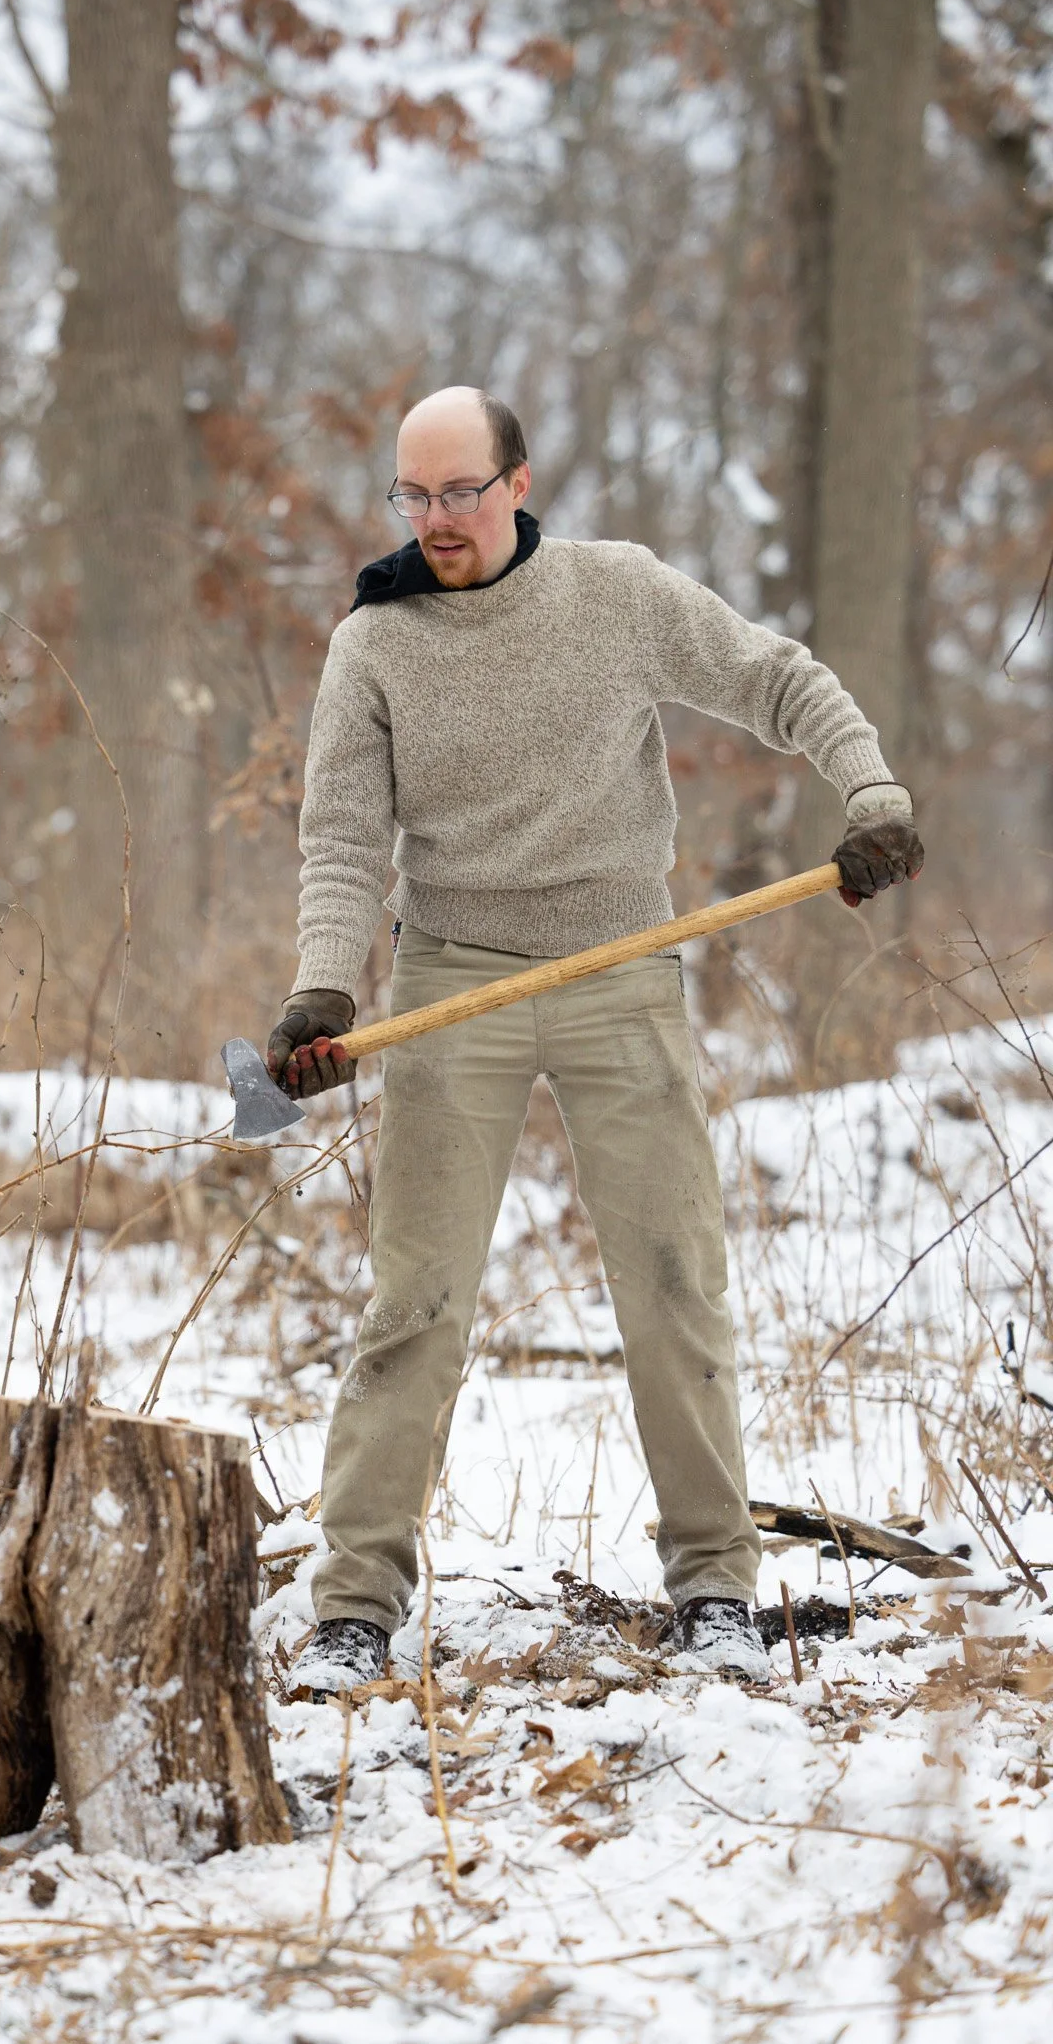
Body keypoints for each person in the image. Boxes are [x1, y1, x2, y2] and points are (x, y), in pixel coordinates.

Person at [268, 385, 923, 1697]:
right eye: (414, 494)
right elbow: (343, 842)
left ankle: (717, 1586)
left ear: (518, 484)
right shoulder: (376, 645)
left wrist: (871, 790)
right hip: (454, 976)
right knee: (417, 1303)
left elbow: (773, 678)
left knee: (674, 1281)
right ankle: (353, 1605)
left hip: (622, 967)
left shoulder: (616, 594)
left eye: (461, 490)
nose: (437, 519)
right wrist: (322, 992)